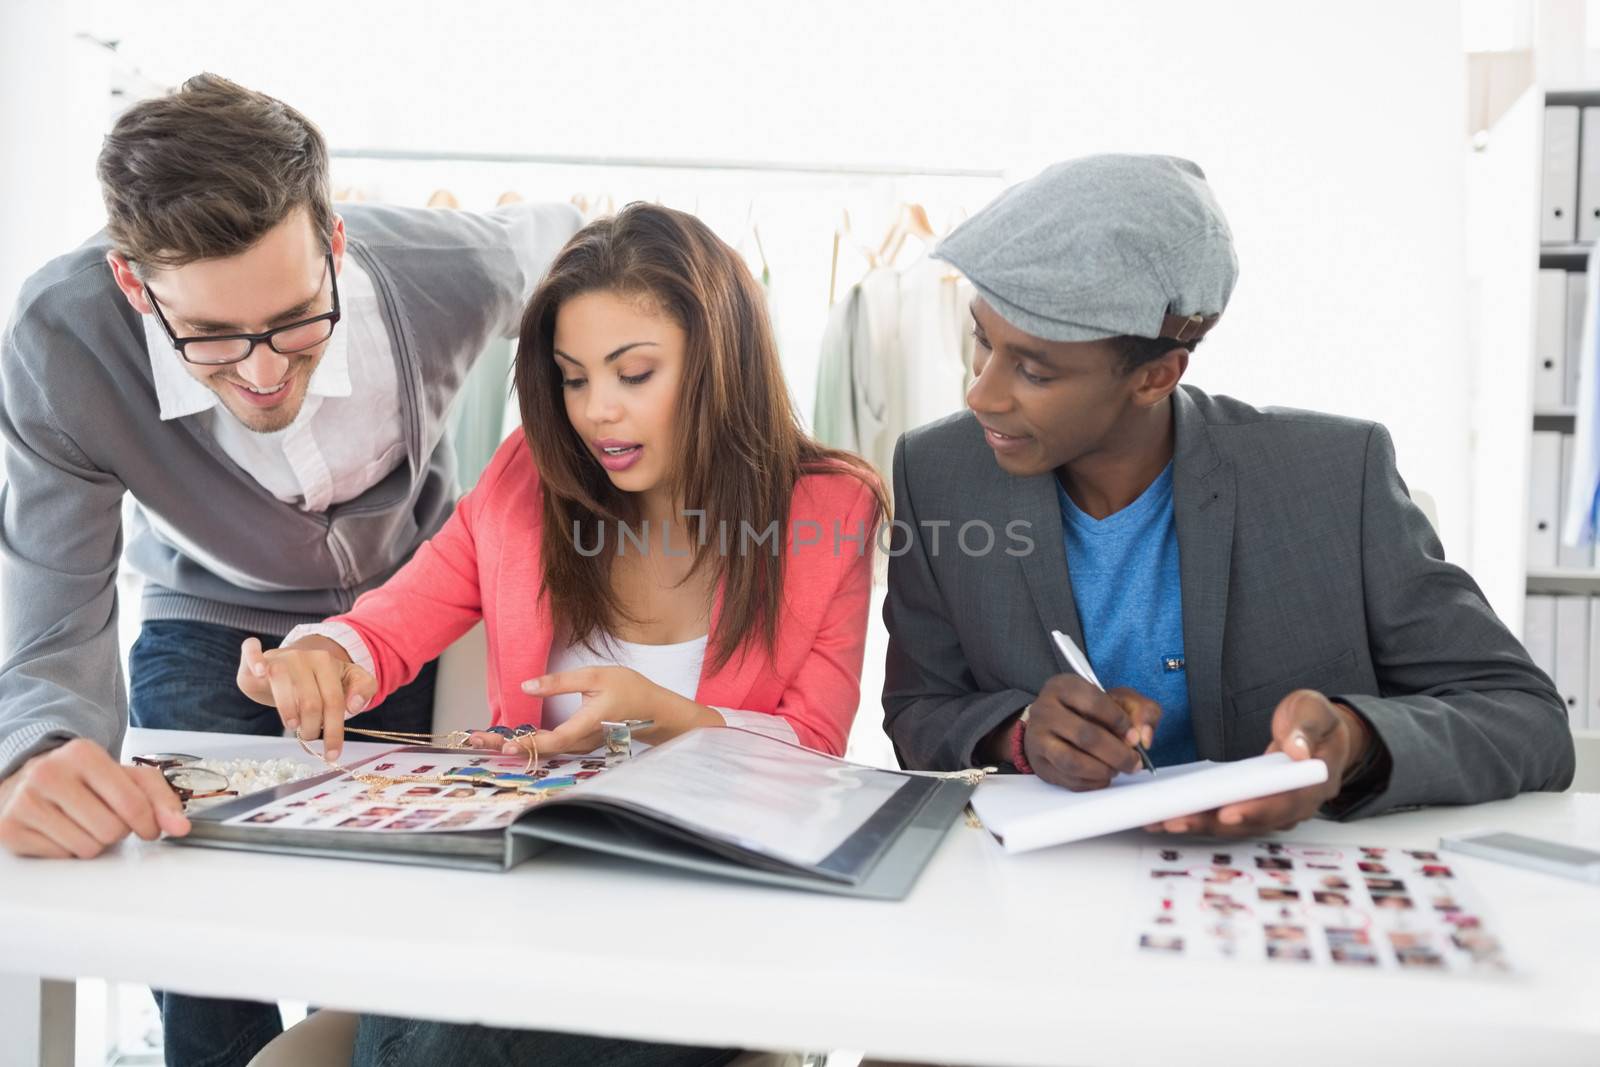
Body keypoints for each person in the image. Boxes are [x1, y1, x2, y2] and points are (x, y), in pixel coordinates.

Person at [0, 73, 579, 1067]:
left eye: (295, 320)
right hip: (207, 607)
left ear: (336, 243)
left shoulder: (448, 266)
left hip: (402, 625)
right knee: (187, 923)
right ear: (137, 286)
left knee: (376, 945)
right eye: (213, 340)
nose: (264, 373)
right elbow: (54, 613)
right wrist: (34, 749)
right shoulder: (63, 342)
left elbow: (581, 243)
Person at [238, 202, 884, 1064]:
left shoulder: (831, 509)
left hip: (709, 922)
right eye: (574, 378)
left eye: (634, 373)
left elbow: (816, 757)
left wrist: (671, 717)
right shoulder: (524, 482)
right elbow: (392, 623)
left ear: (719, 365)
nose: (596, 413)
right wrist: (323, 656)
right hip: (528, 904)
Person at [882, 153, 1574, 835]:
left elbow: (1528, 719)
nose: (981, 391)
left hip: (1278, 908)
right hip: (1049, 901)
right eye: (982, 341)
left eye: (1033, 370)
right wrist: (1019, 732)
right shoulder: (938, 472)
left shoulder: (1333, 477)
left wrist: (1355, 739)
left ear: (1155, 377)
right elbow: (919, 708)